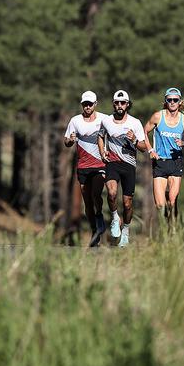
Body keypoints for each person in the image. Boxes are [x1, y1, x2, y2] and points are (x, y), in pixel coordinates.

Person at [97, 90, 149, 248]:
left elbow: (143, 147)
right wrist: (102, 151)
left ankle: (125, 229)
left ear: (127, 105)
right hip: (112, 162)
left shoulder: (135, 123)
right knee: (111, 193)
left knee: (127, 204)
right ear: (113, 104)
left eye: (123, 103)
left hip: (129, 165)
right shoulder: (106, 121)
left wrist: (134, 140)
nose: (120, 106)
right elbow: (100, 136)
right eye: (117, 103)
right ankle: (114, 217)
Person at [144, 87, 184, 233]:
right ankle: (167, 225)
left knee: (172, 201)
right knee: (160, 205)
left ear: (180, 102)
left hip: (175, 162)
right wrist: (150, 149)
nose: (172, 102)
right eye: (169, 100)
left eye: (175, 100)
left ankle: (172, 230)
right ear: (165, 101)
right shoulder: (158, 117)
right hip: (160, 162)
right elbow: (144, 131)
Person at [63, 90, 108, 247]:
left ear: (95, 104)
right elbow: (66, 141)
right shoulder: (75, 121)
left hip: (100, 165)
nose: (87, 107)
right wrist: (71, 140)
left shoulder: (104, 119)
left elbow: (115, 132)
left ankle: (100, 216)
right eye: (85, 104)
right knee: (87, 202)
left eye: (90, 104)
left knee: (96, 193)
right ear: (82, 105)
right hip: (83, 166)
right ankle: (95, 230)